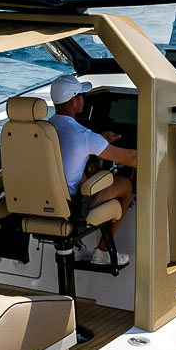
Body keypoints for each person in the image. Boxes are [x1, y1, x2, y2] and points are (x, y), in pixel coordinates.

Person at [47, 74, 136, 267]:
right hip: (72, 207)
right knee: (126, 184)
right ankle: (103, 252)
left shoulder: (43, 129)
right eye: (81, 96)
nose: (83, 100)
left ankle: (77, 248)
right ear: (73, 101)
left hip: (41, 201)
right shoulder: (84, 136)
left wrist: (100, 139)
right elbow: (131, 158)